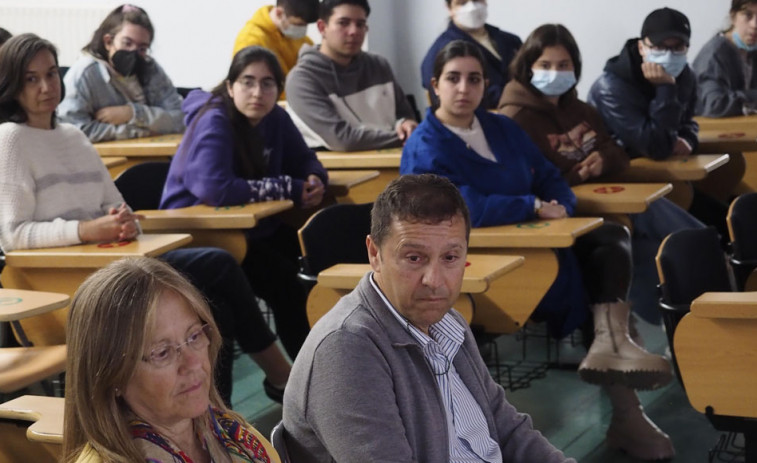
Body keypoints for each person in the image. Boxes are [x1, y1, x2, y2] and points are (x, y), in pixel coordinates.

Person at [402, 40, 675, 461]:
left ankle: (619, 372)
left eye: (474, 79)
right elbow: (453, 206)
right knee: (589, 284)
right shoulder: (425, 143)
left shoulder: (500, 127)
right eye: (453, 78)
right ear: (434, 85)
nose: (463, 88)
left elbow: (548, 175)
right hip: (479, 260)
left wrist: (561, 204)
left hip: (543, 243)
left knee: (609, 239)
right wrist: (529, 205)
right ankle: (619, 386)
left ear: (485, 85)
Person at [0, 33, 290, 406]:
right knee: (217, 264)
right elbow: (12, 234)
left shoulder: (73, 136)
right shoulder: (11, 139)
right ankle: (274, 379)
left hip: (113, 261)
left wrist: (122, 220)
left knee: (211, 301)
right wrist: (86, 230)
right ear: (11, 84)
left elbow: (115, 204)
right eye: (31, 78)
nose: (46, 86)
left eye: (52, 74)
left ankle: (213, 413)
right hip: (69, 279)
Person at [283, 173, 575, 462]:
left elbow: (507, 429)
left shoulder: (449, 322)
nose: (434, 280)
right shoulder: (345, 349)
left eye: (450, 258)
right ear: (374, 254)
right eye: (414, 258)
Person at [498, 24, 704, 325]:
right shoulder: (515, 120)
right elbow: (529, 184)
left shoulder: (581, 110)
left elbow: (618, 153)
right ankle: (710, 268)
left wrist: (603, 161)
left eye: (563, 65)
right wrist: (578, 175)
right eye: (545, 65)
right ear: (528, 67)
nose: (555, 73)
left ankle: (690, 315)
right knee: (648, 229)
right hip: (568, 212)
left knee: (654, 243)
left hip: (610, 201)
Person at [160, 45, 328, 360]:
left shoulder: (275, 117)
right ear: (230, 86)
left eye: (267, 84)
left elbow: (304, 159)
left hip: (251, 230)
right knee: (285, 285)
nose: (257, 92)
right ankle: (300, 381)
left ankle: (317, 374)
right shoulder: (213, 118)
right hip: (199, 234)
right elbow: (214, 188)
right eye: (247, 82)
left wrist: (315, 178)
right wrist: (288, 187)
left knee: (313, 262)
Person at [62, 257, 277, 463]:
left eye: (194, 336)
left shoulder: (235, 435)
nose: (192, 363)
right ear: (114, 375)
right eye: (162, 353)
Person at [588, 7, 733, 242]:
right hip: (626, 176)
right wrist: (666, 88)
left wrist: (688, 139)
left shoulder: (685, 74)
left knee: (732, 223)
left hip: (665, 174)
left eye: (677, 48)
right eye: (660, 47)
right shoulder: (611, 87)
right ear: (641, 47)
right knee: (709, 237)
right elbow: (655, 146)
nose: (669, 55)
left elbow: (688, 122)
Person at [285, 0, 418, 150]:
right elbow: (342, 139)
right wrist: (405, 137)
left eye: (360, 24)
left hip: (394, 157)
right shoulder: (302, 79)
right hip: (341, 168)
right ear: (322, 28)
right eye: (343, 23)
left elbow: (404, 114)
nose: (354, 31)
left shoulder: (379, 65)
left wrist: (407, 124)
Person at [58, 4, 184, 142]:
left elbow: (180, 119)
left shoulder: (150, 69)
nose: (134, 52)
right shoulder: (85, 74)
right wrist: (137, 130)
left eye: (142, 48)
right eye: (127, 43)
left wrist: (132, 113)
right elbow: (75, 130)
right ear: (108, 42)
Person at [421, 0, 521, 109]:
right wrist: (516, 96)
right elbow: (444, 98)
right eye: (462, 3)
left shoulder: (510, 40)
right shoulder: (443, 49)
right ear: (449, 8)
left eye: (477, 0)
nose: (472, 7)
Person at [232, 0, 320, 95]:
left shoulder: (299, 38)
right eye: (298, 24)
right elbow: (251, 89)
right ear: (279, 13)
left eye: (306, 25)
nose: (303, 30)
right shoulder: (251, 39)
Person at [693, 0, 757, 117]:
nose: (755, 25)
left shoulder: (752, 50)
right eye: (748, 15)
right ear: (733, 17)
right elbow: (715, 105)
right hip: (710, 132)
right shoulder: (715, 54)